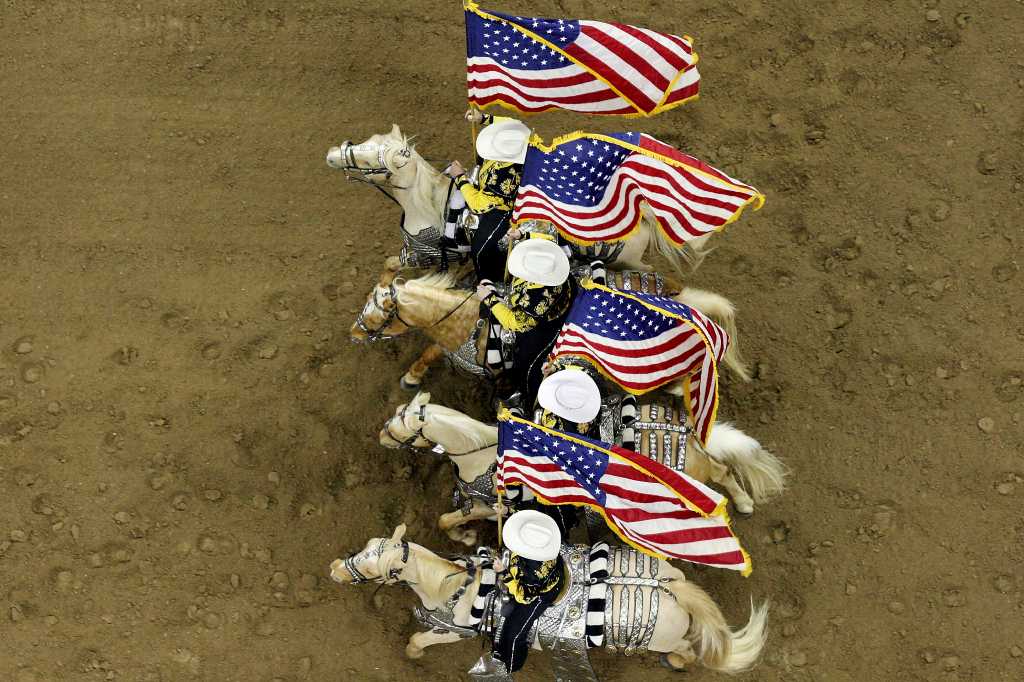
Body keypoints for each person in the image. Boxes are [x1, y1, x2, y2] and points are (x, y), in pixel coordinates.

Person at [476, 234, 574, 403]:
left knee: (528, 364)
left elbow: (514, 322)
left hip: (549, 324)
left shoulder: (537, 300)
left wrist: (489, 299)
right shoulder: (546, 254)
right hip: (563, 289)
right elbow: (547, 238)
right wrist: (522, 235)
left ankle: (528, 399)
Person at [444, 109, 530, 283]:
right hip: (488, 189)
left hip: (501, 209)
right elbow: (510, 121)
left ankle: (490, 284)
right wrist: (484, 118)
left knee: (481, 249)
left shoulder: (503, 176)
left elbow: (479, 204)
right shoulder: (517, 138)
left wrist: (460, 177)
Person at [493, 510, 565, 674]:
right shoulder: (538, 534)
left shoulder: (533, 573)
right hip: (539, 573)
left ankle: (511, 664)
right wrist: (504, 511)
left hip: (539, 594)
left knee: (514, 635)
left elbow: (524, 596)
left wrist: (504, 573)